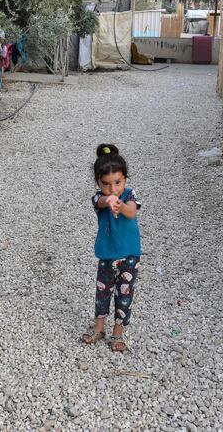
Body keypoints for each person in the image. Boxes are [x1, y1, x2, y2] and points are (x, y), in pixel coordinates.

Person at [81, 144, 142, 352]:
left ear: (125, 179)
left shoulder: (130, 195)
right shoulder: (99, 198)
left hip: (129, 255)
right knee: (102, 292)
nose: (113, 188)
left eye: (118, 182)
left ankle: (118, 333)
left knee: (124, 294)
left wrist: (121, 205)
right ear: (98, 182)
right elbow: (101, 201)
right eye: (106, 184)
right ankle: (99, 328)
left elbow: (132, 212)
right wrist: (109, 200)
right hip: (107, 254)